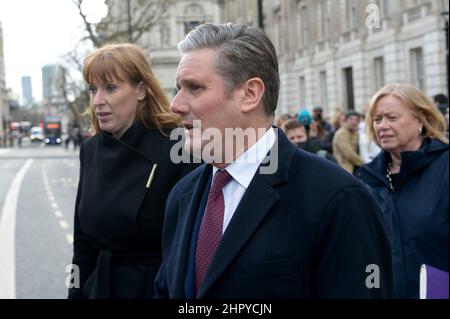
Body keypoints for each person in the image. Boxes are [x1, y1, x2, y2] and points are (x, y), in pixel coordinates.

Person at [154, 23, 392, 299]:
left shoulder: (337, 198)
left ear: (250, 94)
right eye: (178, 88)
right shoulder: (181, 196)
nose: (176, 105)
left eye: (194, 88)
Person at [68, 43, 197, 299]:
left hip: (156, 289)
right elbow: (82, 247)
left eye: (111, 88)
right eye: (93, 89)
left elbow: (191, 246)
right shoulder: (90, 149)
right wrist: (74, 293)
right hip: (101, 289)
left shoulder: (179, 145)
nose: (97, 101)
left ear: (140, 90)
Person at [355, 83, 449, 299]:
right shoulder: (366, 180)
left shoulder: (444, 167)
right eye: (377, 120)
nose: (382, 126)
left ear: (420, 120)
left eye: (392, 117)